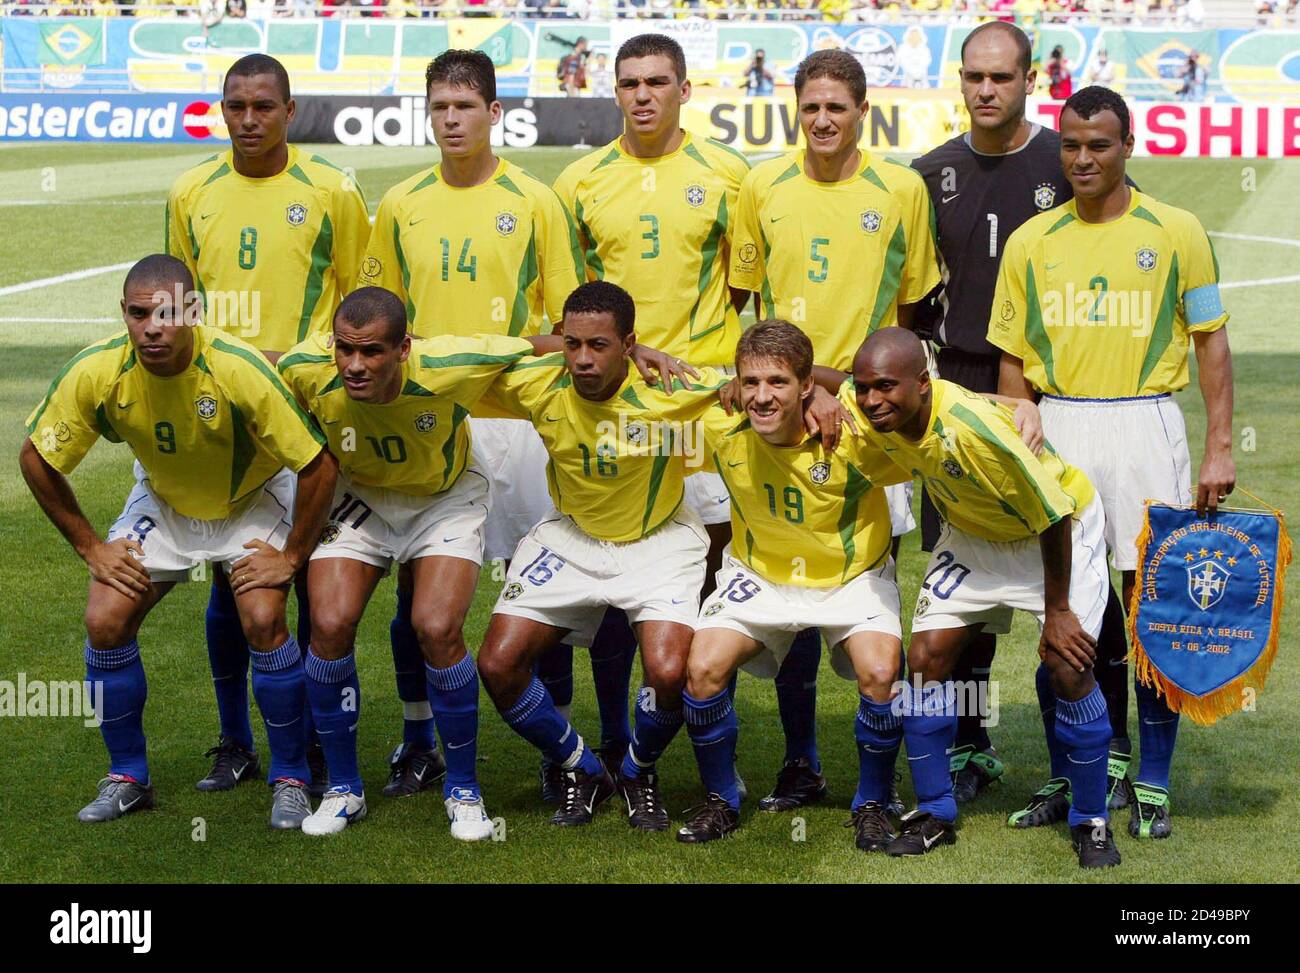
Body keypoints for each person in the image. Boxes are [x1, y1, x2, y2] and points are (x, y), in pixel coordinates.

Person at [990, 85, 1235, 841]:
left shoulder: (1178, 229)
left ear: (1128, 144)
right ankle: (1081, 770)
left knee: (1151, 609)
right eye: (1070, 144)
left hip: (1146, 423)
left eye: (1099, 144)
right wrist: (1014, 445)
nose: (1083, 158)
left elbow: (1211, 345)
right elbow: (1010, 363)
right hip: (1060, 426)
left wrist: (1221, 443)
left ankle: (1152, 780)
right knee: (1065, 611)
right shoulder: (1034, 239)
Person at [21, 255, 338, 829]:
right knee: (105, 618)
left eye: (167, 314)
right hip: (166, 504)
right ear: (124, 314)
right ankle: (128, 776)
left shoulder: (237, 368)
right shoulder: (98, 369)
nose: (152, 327)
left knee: (264, 617)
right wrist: (91, 547)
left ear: (193, 312)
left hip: (251, 498)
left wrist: (292, 556)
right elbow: (37, 458)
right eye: (139, 314)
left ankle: (290, 776)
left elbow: (317, 465)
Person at [911, 20, 1134, 809]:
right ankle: (970, 745)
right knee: (957, 581)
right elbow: (910, 298)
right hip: (955, 393)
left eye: (1001, 78)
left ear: (1028, 78)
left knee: (1076, 579)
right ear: (961, 79)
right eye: (974, 76)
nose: (985, 90)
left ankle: (1095, 754)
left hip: (1046, 395)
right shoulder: (929, 171)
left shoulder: (1062, 158)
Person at [280, 288, 589, 838]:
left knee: (437, 626)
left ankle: (464, 789)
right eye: (345, 350)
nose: (354, 365)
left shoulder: (451, 363)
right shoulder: (307, 367)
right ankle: (344, 790)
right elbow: (257, 372)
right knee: (327, 624)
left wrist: (636, 354)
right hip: (362, 499)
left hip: (444, 499)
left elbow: (543, 345)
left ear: (405, 348)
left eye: (372, 352)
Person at [359, 49, 585, 798]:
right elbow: (377, 319)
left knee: (540, 588)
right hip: (427, 422)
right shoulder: (400, 204)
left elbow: (568, 320)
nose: (450, 120)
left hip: (516, 421)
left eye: (464, 107)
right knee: (415, 589)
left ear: (495, 113)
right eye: (438, 107)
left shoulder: (535, 200)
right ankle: (419, 738)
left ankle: (560, 749)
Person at [810, 328, 1121, 868]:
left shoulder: (977, 434)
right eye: (864, 389)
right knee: (926, 659)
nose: (871, 400)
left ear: (924, 386)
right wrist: (816, 387)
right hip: (973, 534)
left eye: (885, 386)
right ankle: (935, 812)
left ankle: (1090, 819)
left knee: (1067, 665)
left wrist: (1058, 613)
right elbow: (830, 378)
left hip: (1054, 532)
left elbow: (1051, 514)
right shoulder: (870, 404)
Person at [728, 48, 938, 812]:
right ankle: (802, 757)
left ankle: (886, 772)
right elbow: (749, 302)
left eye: (837, 108)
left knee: (874, 575)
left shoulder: (902, 188)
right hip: (788, 406)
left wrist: (861, 394)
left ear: (862, 112)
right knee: (792, 580)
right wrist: (798, 388)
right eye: (810, 106)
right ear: (796, 108)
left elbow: (909, 313)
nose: (822, 120)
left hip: (873, 415)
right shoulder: (763, 184)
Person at [550, 33, 752, 800]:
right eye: (629, 82)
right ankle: (609, 746)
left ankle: (688, 752)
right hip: (615, 416)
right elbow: (576, 309)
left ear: (684, 90)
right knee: (611, 585)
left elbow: (740, 290)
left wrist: (696, 368)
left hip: (700, 414)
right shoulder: (580, 180)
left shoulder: (730, 176)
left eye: (657, 82)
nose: (642, 95)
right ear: (616, 91)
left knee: (705, 589)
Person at [166, 53, 369, 798]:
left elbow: (361, 305)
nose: (247, 119)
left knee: (309, 577)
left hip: (308, 416)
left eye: (262, 106)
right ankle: (234, 739)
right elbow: (177, 302)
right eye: (234, 106)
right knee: (228, 578)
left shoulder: (331, 189)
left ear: (290, 109)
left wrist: (308, 360)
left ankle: (312, 740)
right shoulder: (190, 191)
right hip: (221, 421)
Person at [475, 282, 733, 830]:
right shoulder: (539, 384)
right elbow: (460, 357)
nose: (583, 360)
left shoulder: (671, 389)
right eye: (572, 344)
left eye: (599, 345)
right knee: (497, 663)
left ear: (630, 344)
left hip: (659, 541)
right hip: (571, 538)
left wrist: (821, 393)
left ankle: (639, 769)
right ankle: (583, 767)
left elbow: (760, 384)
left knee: (668, 672)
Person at [675, 321, 908, 847]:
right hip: (760, 577)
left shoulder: (853, 429)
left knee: (880, 672)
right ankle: (721, 800)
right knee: (703, 668)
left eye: (778, 382)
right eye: (750, 382)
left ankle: (872, 801)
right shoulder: (720, 421)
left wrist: (1024, 406)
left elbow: (922, 399)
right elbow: (637, 385)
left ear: (807, 386)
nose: (761, 397)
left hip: (851, 579)